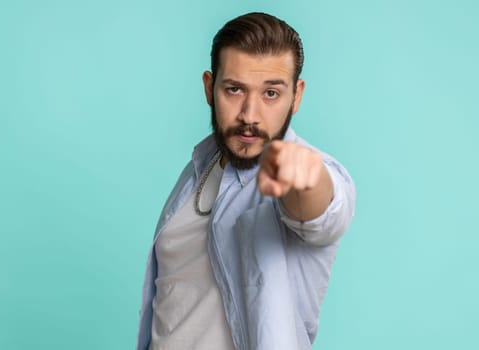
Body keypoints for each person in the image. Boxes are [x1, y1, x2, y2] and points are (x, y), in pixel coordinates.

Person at [136, 12, 356, 350]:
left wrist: (308, 180)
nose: (250, 115)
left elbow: (323, 214)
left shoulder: (302, 171)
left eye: (271, 93)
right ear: (210, 88)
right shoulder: (199, 166)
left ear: (296, 96)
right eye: (235, 89)